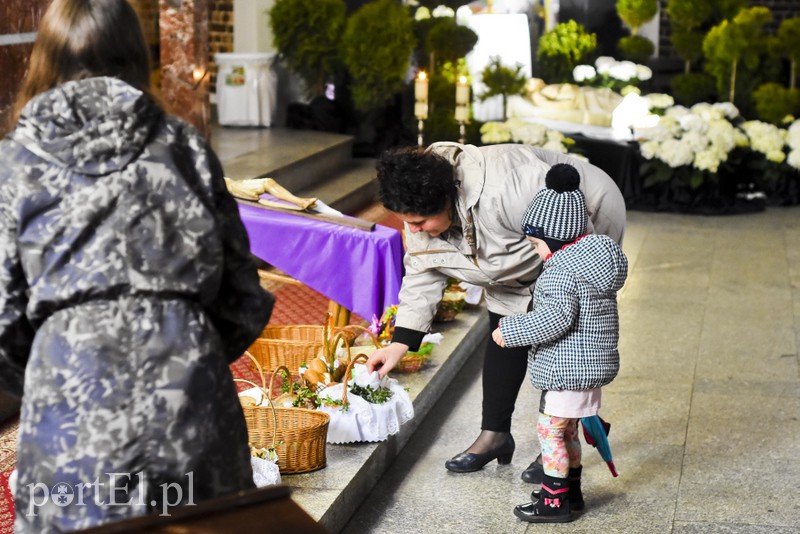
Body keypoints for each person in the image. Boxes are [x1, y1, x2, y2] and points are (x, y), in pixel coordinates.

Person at [0, 0, 273, 531]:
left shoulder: (13, 164)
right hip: (189, 394)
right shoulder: (185, 148)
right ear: (134, 57)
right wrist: (186, 342)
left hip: (69, 402)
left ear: (45, 60)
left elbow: (2, 322)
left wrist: (56, 362)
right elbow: (243, 295)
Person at [365, 142, 626, 478]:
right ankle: (494, 436)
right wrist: (400, 343)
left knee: (565, 336)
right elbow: (422, 271)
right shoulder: (418, 203)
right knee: (503, 325)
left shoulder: (508, 186)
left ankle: (558, 445)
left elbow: (569, 237)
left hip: (585, 215)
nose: (412, 229)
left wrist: (548, 303)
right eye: (407, 222)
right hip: (518, 245)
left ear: (446, 199)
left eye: (419, 222)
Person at [492, 163, 627, 523]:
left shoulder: (561, 273)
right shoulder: (591, 262)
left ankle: (554, 502)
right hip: (588, 371)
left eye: (536, 243)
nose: (536, 251)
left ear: (554, 238)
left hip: (567, 370)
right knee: (567, 432)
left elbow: (555, 319)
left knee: (550, 433)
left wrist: (510, 330)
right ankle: (571, 493)